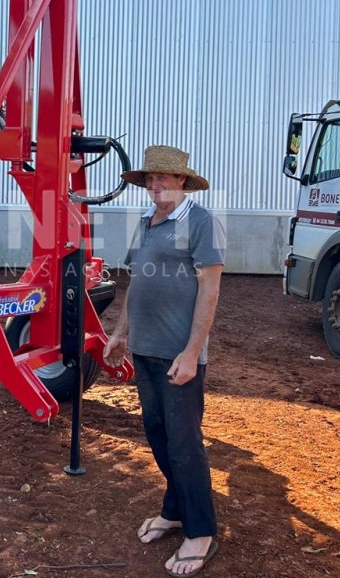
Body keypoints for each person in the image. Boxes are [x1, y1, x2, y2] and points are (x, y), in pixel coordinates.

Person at [103, 145, 225, 577]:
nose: (157, 187)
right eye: (151, 180)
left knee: (184, 442)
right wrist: (119, 333)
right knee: (156, 433)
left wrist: (192, 353)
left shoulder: (200, 222)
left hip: (179, 357)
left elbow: (210, 291)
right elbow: (136, 283)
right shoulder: (146, 223)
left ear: (182, 183)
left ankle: (201, 531)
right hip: (146, 351)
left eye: (165, 180)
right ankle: (174, 510)